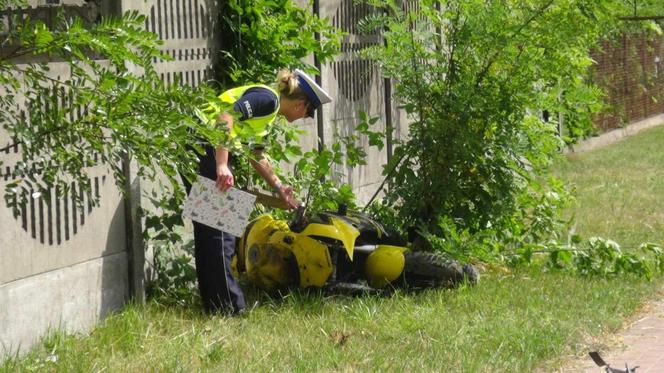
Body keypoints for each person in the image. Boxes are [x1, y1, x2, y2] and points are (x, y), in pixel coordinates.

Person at [184, 69, 333, 315]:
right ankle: (229, 308)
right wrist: (222, 164)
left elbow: (256, 155)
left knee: (210, 228)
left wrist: (279, 188)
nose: (304, 117)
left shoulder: (269, 111)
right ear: (301, 104)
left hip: (200, 140)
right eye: (308, 112)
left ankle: (216, 305)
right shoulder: (268, 99)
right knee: (222, 230)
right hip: (204, 141)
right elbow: (226, 116)